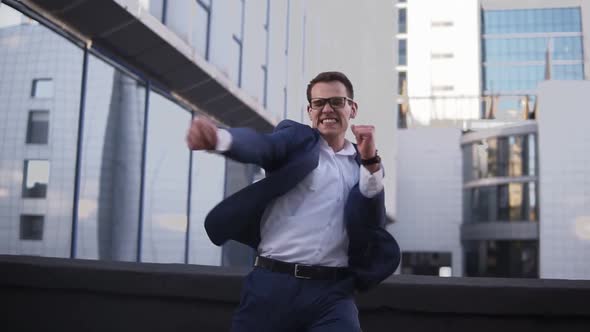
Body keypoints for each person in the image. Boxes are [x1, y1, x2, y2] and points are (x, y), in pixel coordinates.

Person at [186, 71, 400, 332]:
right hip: (273, 286)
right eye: (319, 103)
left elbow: (371, 221)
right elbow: (263, 145)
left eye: (336, 101)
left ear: (352, 108)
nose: (327, 109)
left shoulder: (364, 162)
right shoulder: (296, 140)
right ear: (310, 111)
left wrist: (370, 161)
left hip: (332, 294)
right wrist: (220, 139)